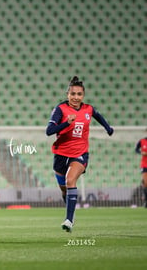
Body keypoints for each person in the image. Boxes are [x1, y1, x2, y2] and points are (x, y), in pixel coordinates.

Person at [46, 76, 114, 232]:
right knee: (64, 188)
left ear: (83, 95)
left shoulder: (88, 109)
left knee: (71, 181)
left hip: (80, 154)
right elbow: (49, 131)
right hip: (61, 155)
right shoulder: (60, 109)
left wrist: (108, 128)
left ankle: (69, 220)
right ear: (67, 94)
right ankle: (70, 208)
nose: (76, 97)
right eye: (73, 94)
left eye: (79, 94)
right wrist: (66, 123)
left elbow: (97, 115)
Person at [135, 134, 147, 207]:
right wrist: (141, 153)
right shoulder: (142, 141)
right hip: (144, 165)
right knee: (146, 183)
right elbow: (136, 149)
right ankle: (146, 201)